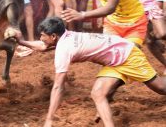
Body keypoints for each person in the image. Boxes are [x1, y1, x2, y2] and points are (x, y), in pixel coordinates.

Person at [16, 17, 166, 127]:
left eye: (42, 35)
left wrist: (49, 119)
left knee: (160, 87)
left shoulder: (64, 49)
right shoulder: (66, 35)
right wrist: (20, 41)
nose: (41, 38)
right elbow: (43, 46)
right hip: (115, 58)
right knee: (98, 93)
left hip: (127, 55)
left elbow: (58, 87)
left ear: (53, 36)